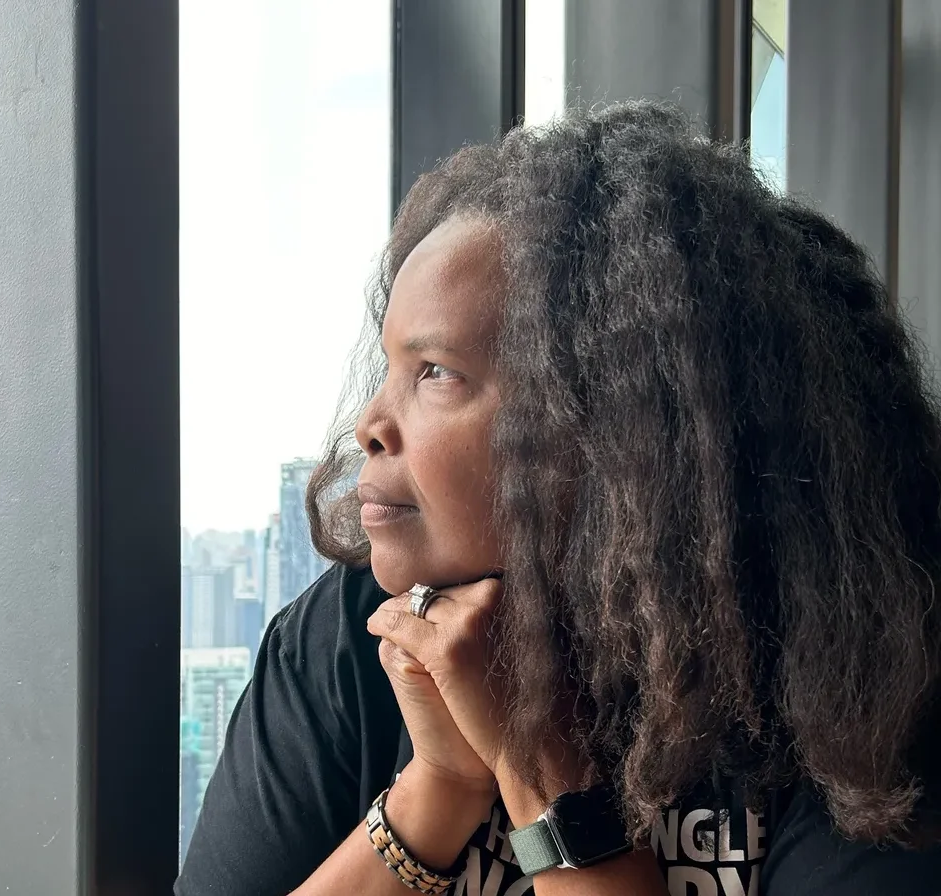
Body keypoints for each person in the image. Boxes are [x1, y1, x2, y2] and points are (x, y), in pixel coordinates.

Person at [175, 101, 941, 895]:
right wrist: (434, 793)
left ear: (619, 423)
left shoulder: (863, 680)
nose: (370, 423)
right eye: (389, 370)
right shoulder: (348, 644)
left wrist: (541, 771)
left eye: (434, 371)